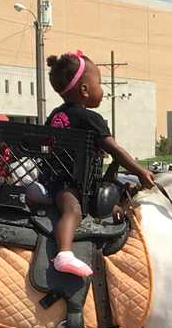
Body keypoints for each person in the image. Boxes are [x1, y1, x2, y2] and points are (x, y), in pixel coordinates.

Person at [44, 50, 155, 277]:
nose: (103, 90)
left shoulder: (55, 114)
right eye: (100, 83)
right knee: (72, 211)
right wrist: (140, 171)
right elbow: (115, 150)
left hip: (53, 176)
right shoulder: (91, 120)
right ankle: (64, 254)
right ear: (84, 90)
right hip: (70, 183)